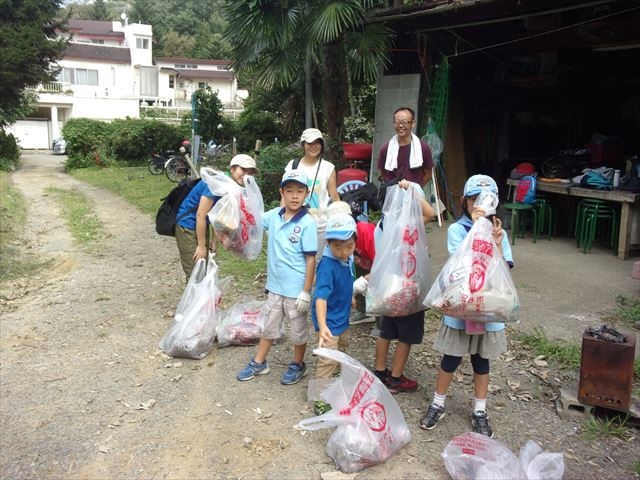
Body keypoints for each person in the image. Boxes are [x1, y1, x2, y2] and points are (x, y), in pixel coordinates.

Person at [419, 174, 514, 438]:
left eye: (486, 200)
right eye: (474, 199)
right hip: (460, 307)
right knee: (450, 358)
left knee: (481, 361)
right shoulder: (457, 230)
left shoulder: (499, 234)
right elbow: (460, 263)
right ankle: (438, 403)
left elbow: (504, 269)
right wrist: (477, 230)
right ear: (465, 201)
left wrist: (496, 242)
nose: (479, 205)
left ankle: (480, 410)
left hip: (487, 310)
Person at [353, 180, 436, 393]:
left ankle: (379, 372)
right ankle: (396, 378)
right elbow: (431, 213)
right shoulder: (411, 222)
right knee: (406, 337)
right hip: (409, 291)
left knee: (386, 331)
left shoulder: (386, 224)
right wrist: (412, 192)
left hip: (388, 289)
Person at [237, 170, 318, 385]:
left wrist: (306, 291)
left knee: (298, 330)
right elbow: (251, 220)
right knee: (270, 325)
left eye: (299, 191)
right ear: (281, 192)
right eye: (289, 191)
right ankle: (259, 361)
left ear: (306, 194)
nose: (294, 196)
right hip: (275, 287)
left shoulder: (308, 223)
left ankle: (298, 363)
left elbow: (311, 259)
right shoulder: (274, 216)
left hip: (296, 290)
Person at [175, 154, 258, 281]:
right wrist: (202, 246)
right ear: (232, 169)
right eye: (243, 169)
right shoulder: (215, 182)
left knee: (203, 268)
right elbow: (201, 215)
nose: (246, 175)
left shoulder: (231, 186)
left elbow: (218, 217)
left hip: (201, 225)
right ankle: (193, 300)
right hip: (187, 225)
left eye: (250, 172)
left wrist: (214, 241)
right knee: (195, 272)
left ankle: (201, 299)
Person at [310, 212, 357, 415]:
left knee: (342, 348)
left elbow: (349, 277)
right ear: (328, 243)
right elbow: (320, 298)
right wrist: (322, 327)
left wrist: (351, 297)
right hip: (328, 321)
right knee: (327, 359)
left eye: (349, 245)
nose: (344, 252)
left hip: (342, 315)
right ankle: (319, 398)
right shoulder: (327, 266)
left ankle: (335, 379)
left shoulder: (348, 257)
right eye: (337, 246)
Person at [285, 128, 340, 261]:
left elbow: (334, 195)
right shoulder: (293, 166)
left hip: (320, 223)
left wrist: (342, 217)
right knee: (297, 258)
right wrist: (282, 218)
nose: (314, 146)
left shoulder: (328, 167)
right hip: (296, 220)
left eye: (317, 143)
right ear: (303, 144)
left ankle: (313, 282)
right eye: (310, 143)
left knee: (316, 260)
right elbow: (284, 194)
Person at [377, 107, 433, 188]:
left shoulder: (423, 148)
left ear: (413, 123)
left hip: (415, 195)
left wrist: (416, 188)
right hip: (392, 195)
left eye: (404, 122)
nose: (400, 125)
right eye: (397, 122)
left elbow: (428, 174)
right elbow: (383, 173)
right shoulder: (386, 149)